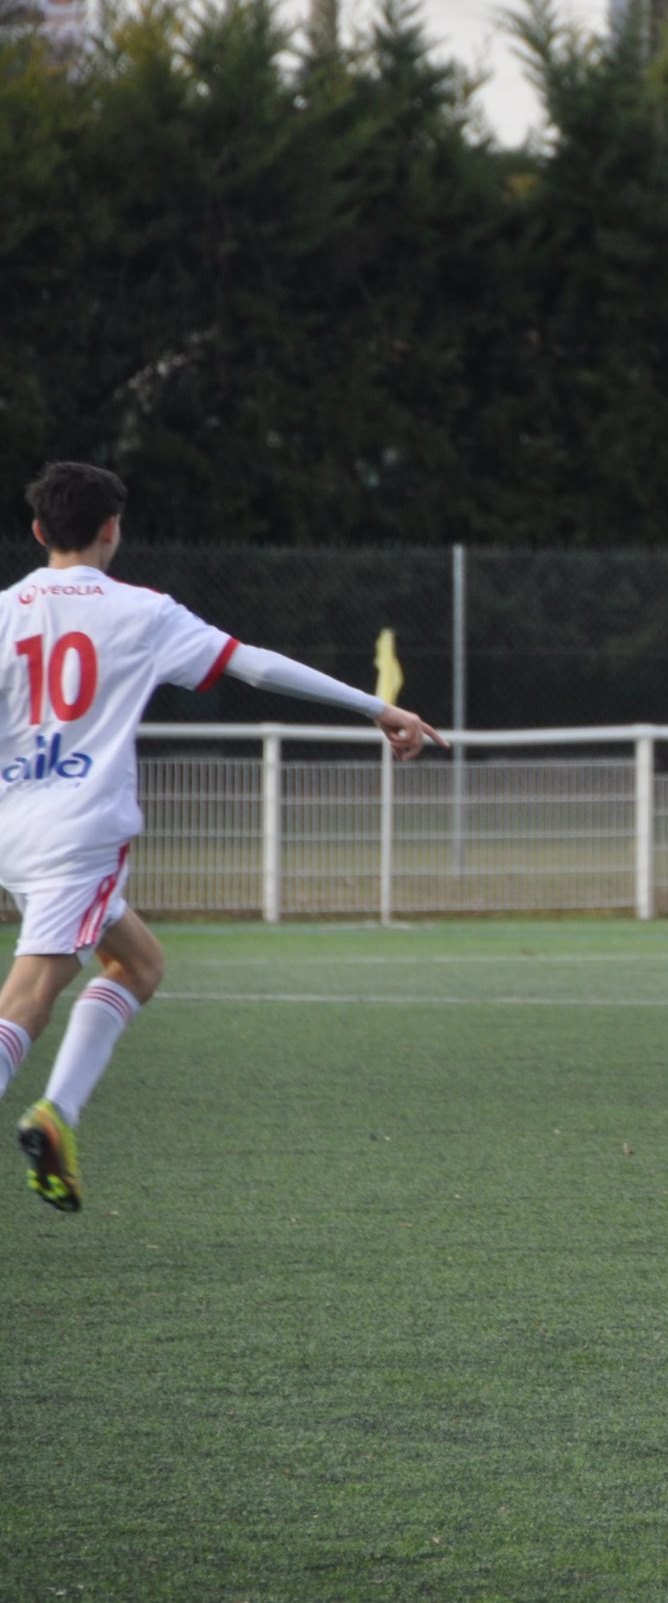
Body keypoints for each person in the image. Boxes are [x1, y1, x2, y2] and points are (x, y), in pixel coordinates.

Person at [3, 462, 445, 1212]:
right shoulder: (142, 612)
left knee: (138, 963)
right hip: (83, 834)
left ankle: (60, 1113)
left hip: (15, 831)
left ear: (41, 531)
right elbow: (259, 668)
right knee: (29, 998)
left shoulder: (5, 610)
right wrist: (377, 708)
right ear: (113, 530)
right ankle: (53, 1109)